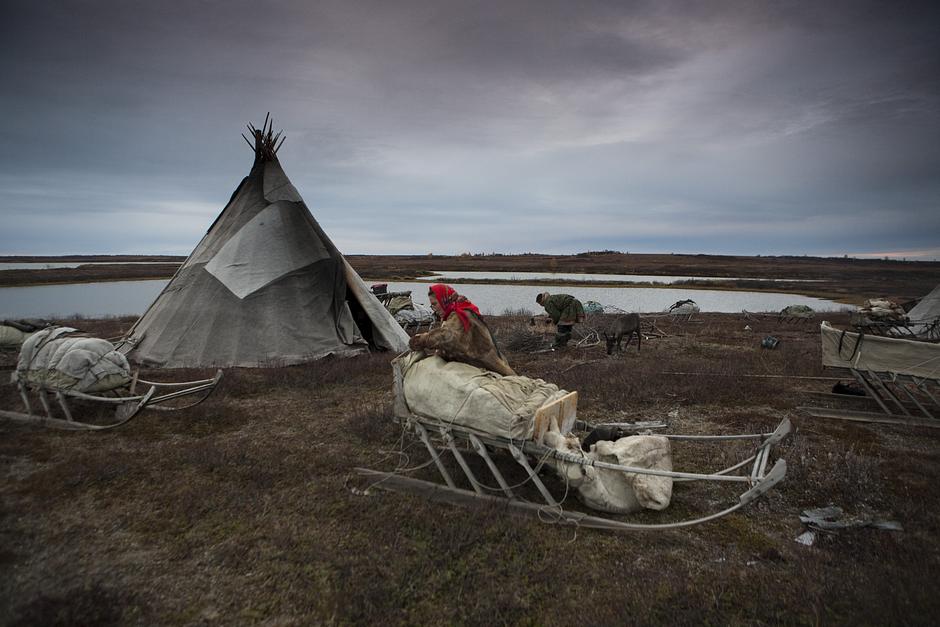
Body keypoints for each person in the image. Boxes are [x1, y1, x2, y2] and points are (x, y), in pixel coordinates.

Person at [408, 284, 516, 376]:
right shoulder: (458, 309)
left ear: (444, 300)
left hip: (486, 365)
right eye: (432, 306)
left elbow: (447, 336)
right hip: (481, 361)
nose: (434, 309)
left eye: (435, 304)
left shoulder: (459, 315)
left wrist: (422, 340)